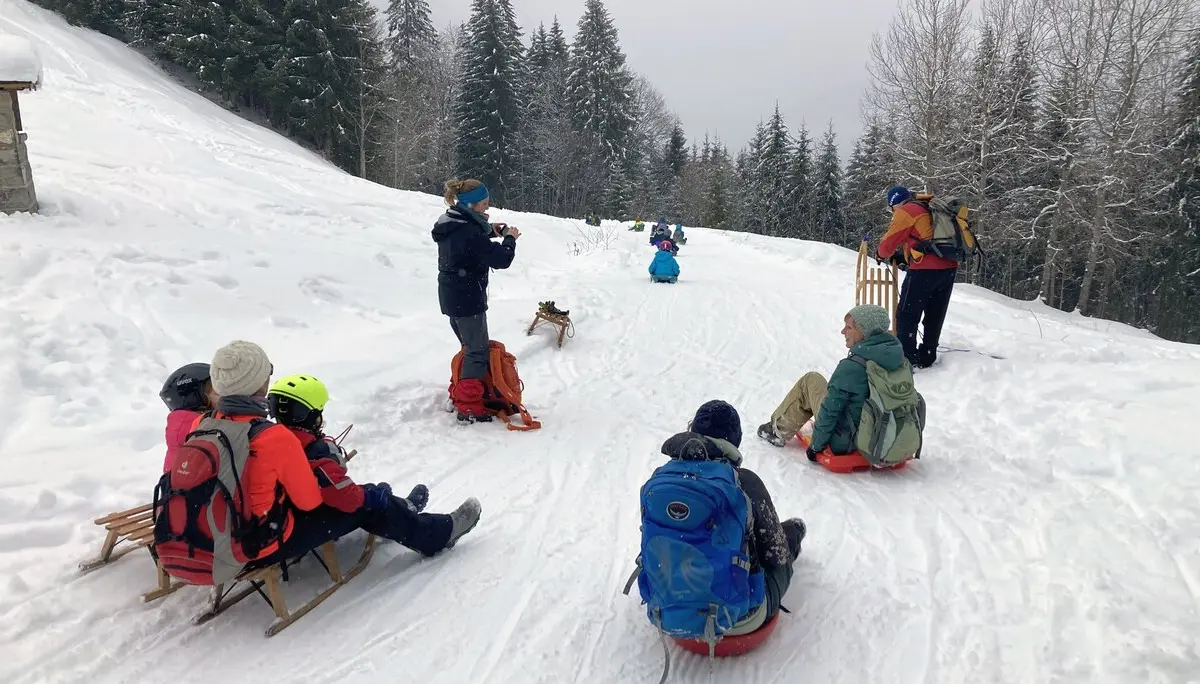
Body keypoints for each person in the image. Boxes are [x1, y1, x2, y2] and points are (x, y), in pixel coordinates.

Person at [160, 341, 481, 578]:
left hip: (197, 544)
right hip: (250, 549)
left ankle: (401, 508)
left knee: (360, 498)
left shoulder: (203, 424)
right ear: (260, 385)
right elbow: (311, 502)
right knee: (366, 502)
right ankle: (435, 534)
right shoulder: (271, 436)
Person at [640, 401, 805, 638]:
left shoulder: (661, 479)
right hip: (738, 619)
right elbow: (776, 556)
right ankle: (796, 531)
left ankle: (682, 606)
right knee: (783, 547)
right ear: (733, 440)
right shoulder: (744, 482)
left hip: (665, 611)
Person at [265, 373, 429, 515]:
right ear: (310, 416)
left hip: (284, 514)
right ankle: (407, 509)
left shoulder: (270, 441)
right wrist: (377, 496)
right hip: (309, 519)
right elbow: (346, 497)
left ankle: (388, 499)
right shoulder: (316, 455)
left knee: (371, 492)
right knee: (372, 497)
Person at [756, 305, 907, 459]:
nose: (843, 331)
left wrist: (816, 447)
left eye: (849, 327)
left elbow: (829, 411)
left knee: (811, 380)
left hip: (847, 442)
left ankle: (777, 430)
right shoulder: (898, 359)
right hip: (884, 435)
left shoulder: (852, 367)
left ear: (864, 332)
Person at [432, 179, 520, 424]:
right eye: (483, 204)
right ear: (470, 204)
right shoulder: (469, 231)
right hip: (467, 297)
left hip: (452, 294)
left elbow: (468, 239)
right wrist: (510, 239)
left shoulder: (451, 221)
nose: (487, 208)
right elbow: (501, 259)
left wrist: (491, 230)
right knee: (477, 351)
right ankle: (468, 405)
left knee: (470, 348)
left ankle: (466, 392)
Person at [877, 186, 959, 368]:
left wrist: (880, 254)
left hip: (924, 270)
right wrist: (904, 257)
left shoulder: (906, 211)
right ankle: (928, 355)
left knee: (907, 314)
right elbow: (925, 238)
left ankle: (906, 359)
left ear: (893, 204)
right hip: (948, 266)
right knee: (935, 313)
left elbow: (888, 244)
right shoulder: (927, 207)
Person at [159, 362, 219, 471]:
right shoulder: (198, 430)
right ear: (197, 398)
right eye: (217, 393)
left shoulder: (182, 425)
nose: (223, 397)